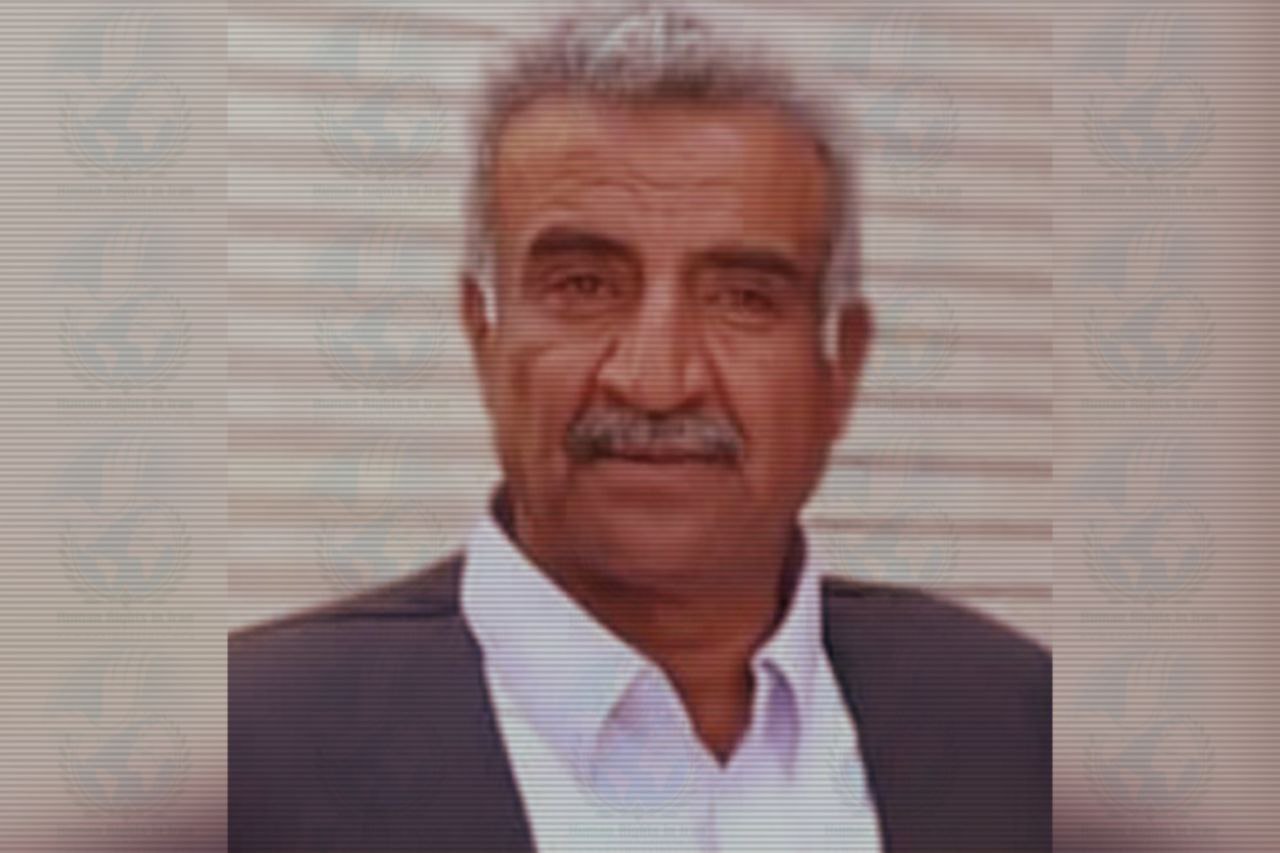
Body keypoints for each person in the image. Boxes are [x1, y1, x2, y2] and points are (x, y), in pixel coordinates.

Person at [229, 5, 1050, 851]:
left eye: (743, 298)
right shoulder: (244, 756)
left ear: (840, 367)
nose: (658, 382)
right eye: (584, 286)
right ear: (483, 336)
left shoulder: (1020, 721)